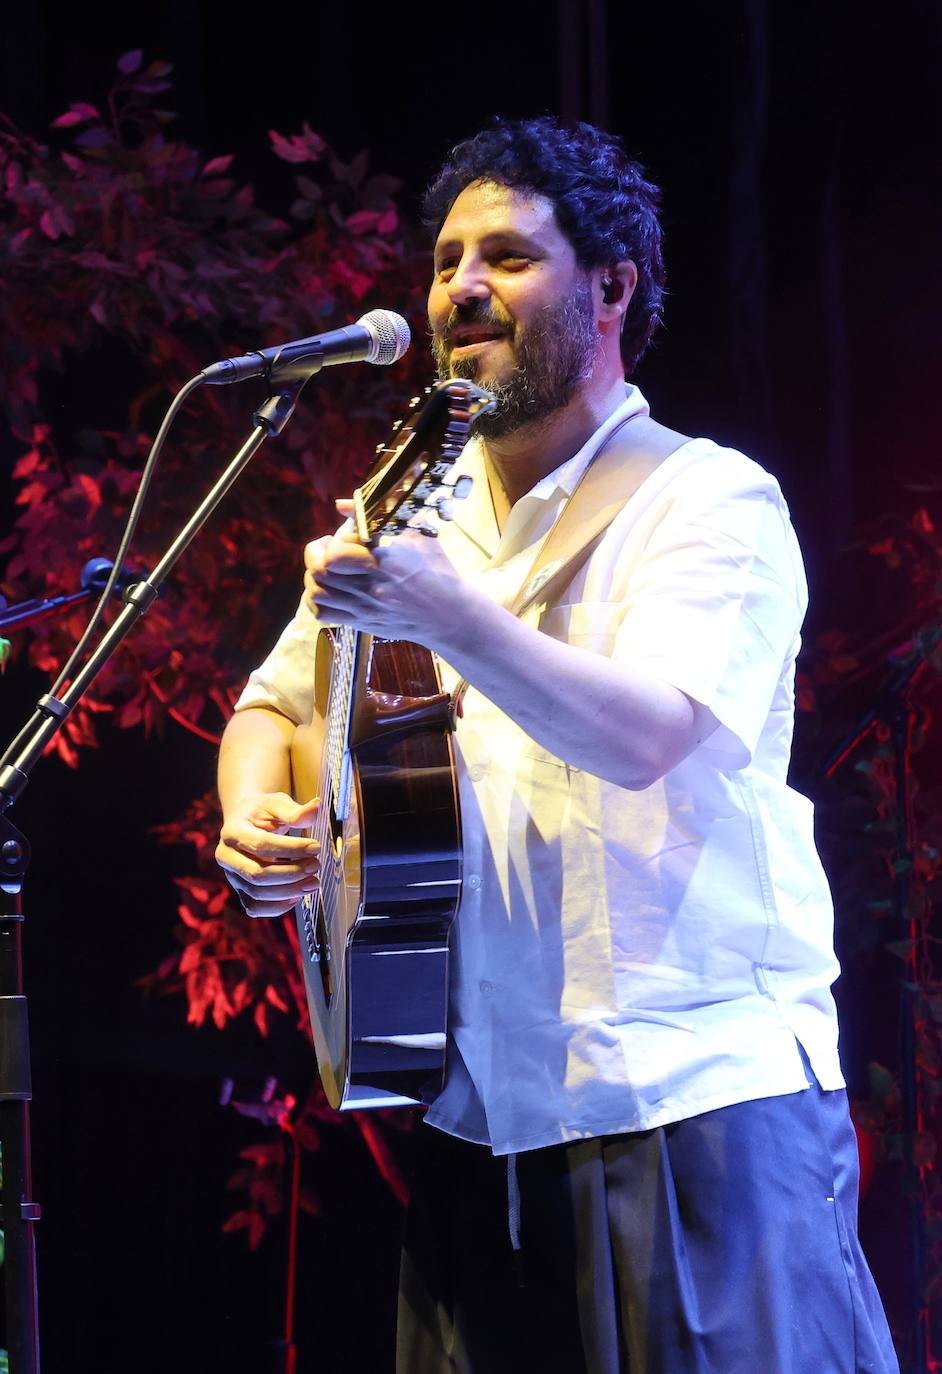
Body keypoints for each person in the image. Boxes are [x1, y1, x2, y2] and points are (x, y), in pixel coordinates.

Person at [215, 117, 898, 1373]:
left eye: (509, 258)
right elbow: (276, 704)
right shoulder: (406, 508)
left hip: (693, 1102)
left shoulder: (708, 498)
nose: (460, 287)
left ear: (613, 288)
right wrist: (256, 813)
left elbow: (647, 736)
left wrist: (451, 617)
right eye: (446, 260)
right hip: (481, 1113)